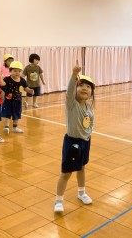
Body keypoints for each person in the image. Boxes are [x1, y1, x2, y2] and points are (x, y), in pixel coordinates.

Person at [54, 60, 95, 213]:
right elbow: (69, 91)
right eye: (81, 85)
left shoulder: (89, 108)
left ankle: (81, 192)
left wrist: (88, 135)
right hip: (72, 142)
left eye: (88, 86)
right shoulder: (72, 103)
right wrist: (74, 75)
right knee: (66, 173)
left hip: (85, 141)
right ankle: (58, 200)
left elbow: (90, 123)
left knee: (82, 168)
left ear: (91, 92)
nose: (84, 88)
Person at [1, 61, 33, 134]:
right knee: (7, 114)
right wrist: (2, 97)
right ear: (10, 71)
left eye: (19, 71)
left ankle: (15, 127)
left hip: (18, 101)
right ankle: (6, 127)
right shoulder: (7, 79)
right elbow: (3, 88)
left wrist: (29, 90)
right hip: (8, 101)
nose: (17, 73)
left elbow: (25, 88)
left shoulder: (22, 80)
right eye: (15, 71)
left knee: (17, 114)